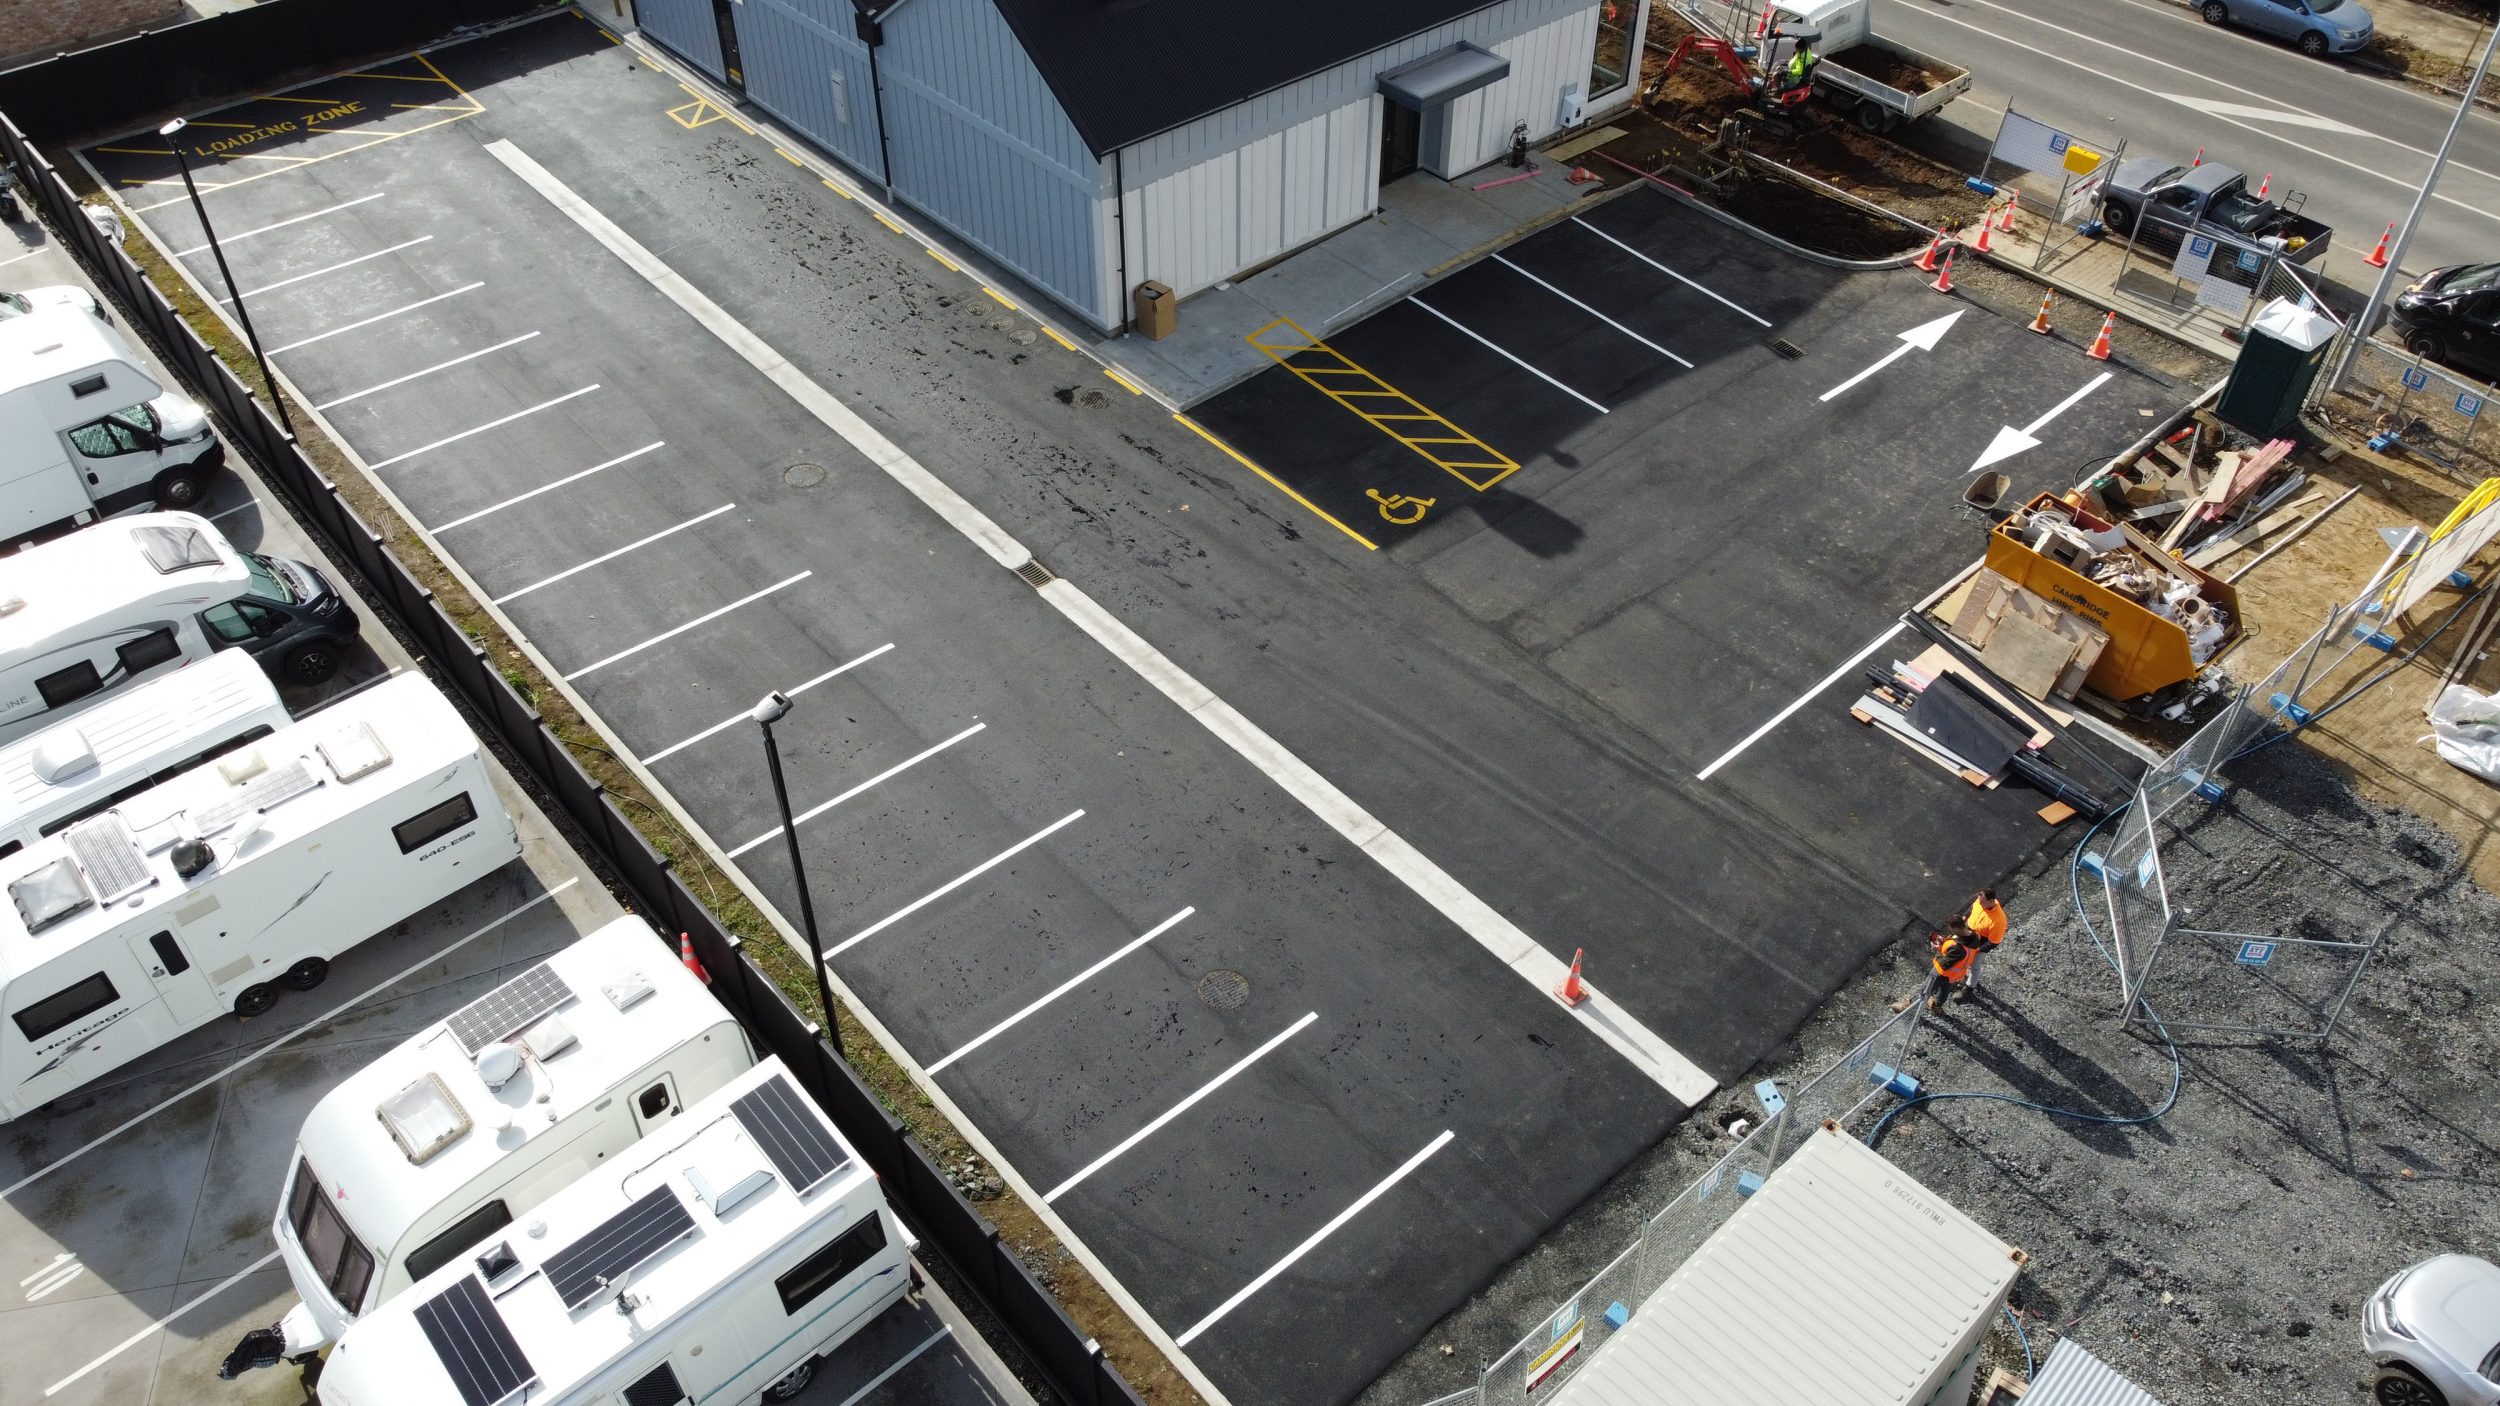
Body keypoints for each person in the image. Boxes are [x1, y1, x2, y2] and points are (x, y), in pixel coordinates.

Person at [1893, 925, 1974, 1014]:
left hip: (1940, 972)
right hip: (1952, 976)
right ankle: (1937, 1006)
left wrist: (1938, 950)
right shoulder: (1972, 942)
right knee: (1944, 990)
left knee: (1925, 989)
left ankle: (1908, 1007)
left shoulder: (1957, 947)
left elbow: (1944, 964)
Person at [1961, 888, 2008, 1003]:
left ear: (1991, 901)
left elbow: (1993, 943)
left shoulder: (1999, 920)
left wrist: (1978, 950)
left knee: (1975, 966)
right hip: (1968, 933)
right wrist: (1964, 917)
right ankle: (1958, 975)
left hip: (1980, 943)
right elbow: (1972, 908)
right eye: (1979, 900)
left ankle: (1969, 988)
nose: (1979, 903)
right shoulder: (1980, 901)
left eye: (1982, 902)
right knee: (1961, 957)